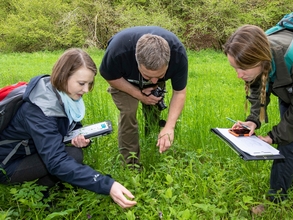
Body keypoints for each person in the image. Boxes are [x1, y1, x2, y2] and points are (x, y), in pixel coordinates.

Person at [0, 48, 137, 208]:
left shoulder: (64, 96)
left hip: (30, 151)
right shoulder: (38, 109)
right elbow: (56, 161)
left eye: (89, 83)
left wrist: (78, 139)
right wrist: (107, 185)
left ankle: (44, 189)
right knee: (69, 158)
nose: (86, 90)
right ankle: (38, 196)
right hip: (7, 163)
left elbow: (66, 129)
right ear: (63, 76)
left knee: (74, 153)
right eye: (81, 83)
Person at [223, 25, 293, 203]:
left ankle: (276, 199)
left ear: (261, 60)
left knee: (288, 142)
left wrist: (273, 136)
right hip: (288, 86)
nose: (238, 75)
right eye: (235, 68)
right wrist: (253, 120)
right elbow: (258, 86)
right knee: (292, 140)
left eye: (242, 69)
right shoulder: (261, 54)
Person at [99, 26, 188, 165]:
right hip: (124, 80)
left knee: (154, 108)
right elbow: (110, 76)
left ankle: (154, 144)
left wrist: (169, 127)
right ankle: (131, 164)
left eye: (160, 75)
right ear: (137, 62)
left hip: (145, 71)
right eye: (147, 75)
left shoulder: (178, 55)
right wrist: (139, 94)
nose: (153, 81)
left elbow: (180, 92)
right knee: (129, 112)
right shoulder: (118, 51)